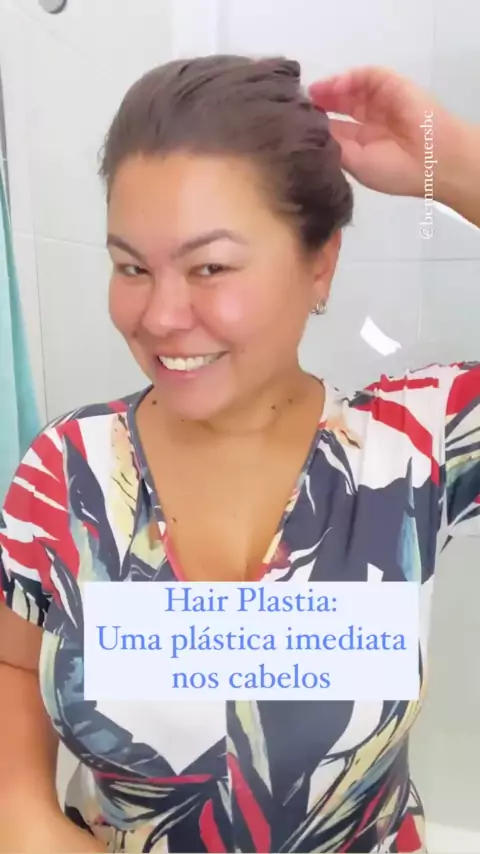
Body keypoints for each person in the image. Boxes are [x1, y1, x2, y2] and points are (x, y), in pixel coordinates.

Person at [0, 55, 479, 854]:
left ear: (320, 263)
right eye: (131, 267)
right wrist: (23, 813)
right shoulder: (67, 470)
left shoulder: (414, 446)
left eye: (210, 267)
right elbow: (14, 664)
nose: (160, 316)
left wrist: (453, 161)